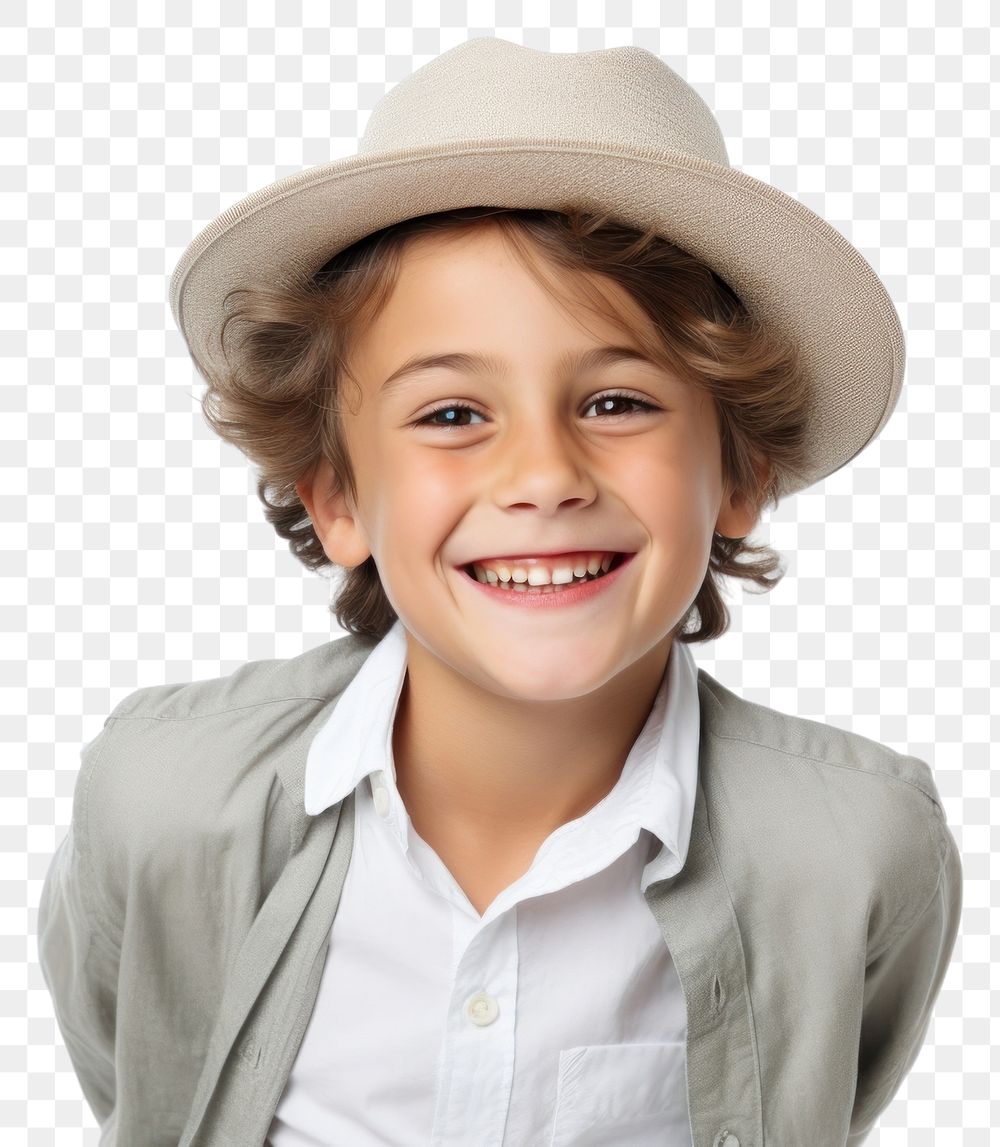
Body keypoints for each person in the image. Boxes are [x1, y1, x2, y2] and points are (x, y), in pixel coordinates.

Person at [37, 36, 962, 1147]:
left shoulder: (853, 847)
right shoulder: (164, 800)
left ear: (742, 474)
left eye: (617, 402)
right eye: (451, 414)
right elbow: (149, 1082)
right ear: (334, 493)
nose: (542, 479)